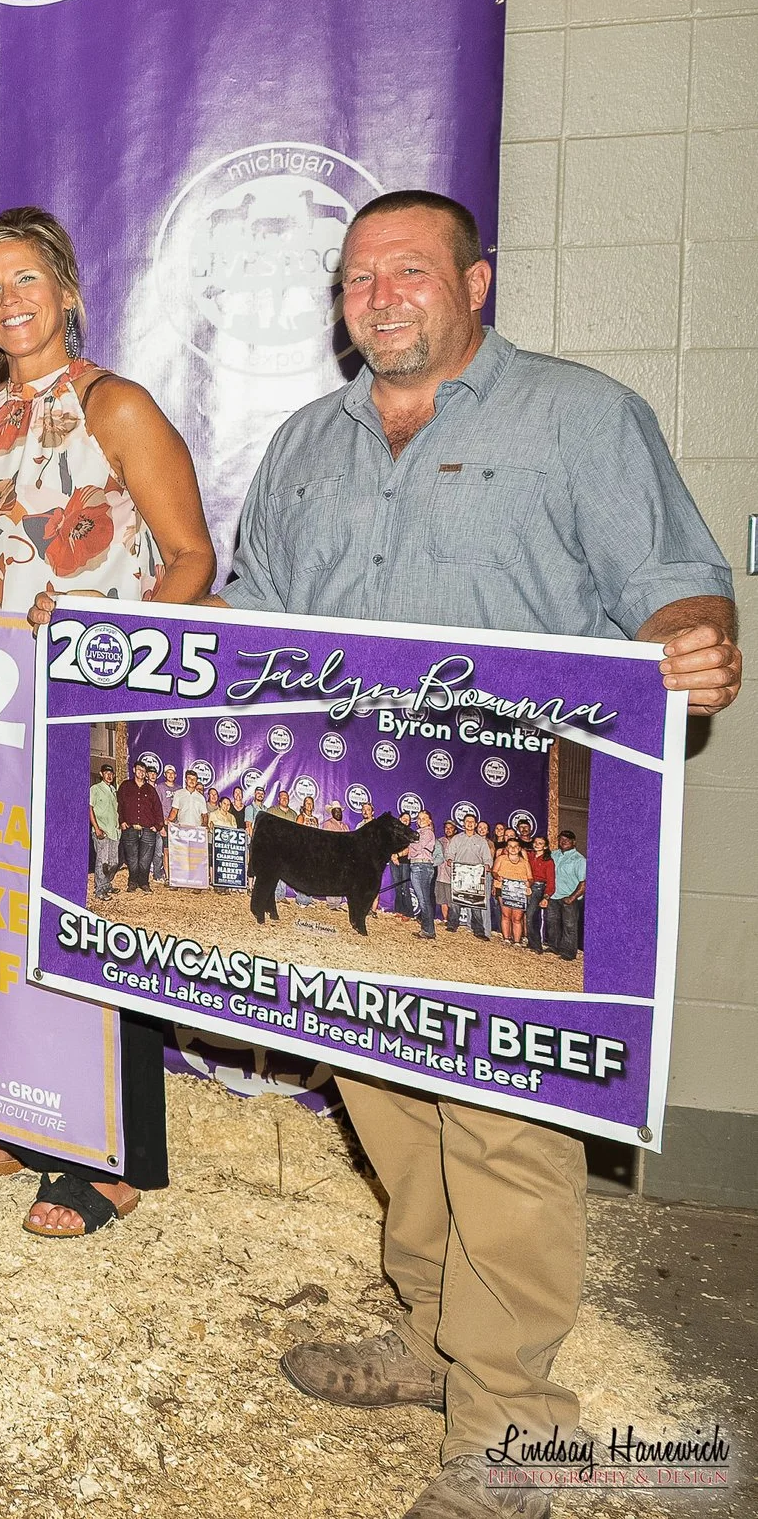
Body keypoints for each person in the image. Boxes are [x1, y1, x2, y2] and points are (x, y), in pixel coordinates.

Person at [224, 189, 737, 1519]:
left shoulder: (581, 417)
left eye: (409, 271)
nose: (381, 295)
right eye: (356, 278)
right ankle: (431, 1336)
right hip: (360, 842)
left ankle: (510, 1435)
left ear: (477, 282)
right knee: (388, 1102)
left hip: (500, 844)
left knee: (505, 1132)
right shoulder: (302, 446)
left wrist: (691, 640)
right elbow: (244, 610)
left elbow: (676, 578)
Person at [0, 205, 214, 1240]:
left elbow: (190, 559)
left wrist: (104, 634)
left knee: (96, 927)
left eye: (26, 279)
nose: (10, 301)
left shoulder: (115, 406)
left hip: (89, 702)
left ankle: (114, 1156)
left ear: (67, 290)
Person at [439, 815, 493, 938]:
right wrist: (449, 859)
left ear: (475, 824)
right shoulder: (457, 839)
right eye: (467, 821)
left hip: (475, 875)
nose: (469, 823)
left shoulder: (481, 841)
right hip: (460, 873)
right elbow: (450, 853)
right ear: (463, 824)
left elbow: (487, 858)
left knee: (475, 903)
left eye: (472, 822)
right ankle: (452, 924)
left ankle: (478, 930)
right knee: (455, 901)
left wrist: (487, 866)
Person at [116, 761, 165, 892]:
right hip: (130, 827)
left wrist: (158, 826)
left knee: (145, 859)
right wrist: (122, 821)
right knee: (132, 859)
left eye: (143, 771)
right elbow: (120, 805)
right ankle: (132, 882)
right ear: (134, 770)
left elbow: (158, 809)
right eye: (139, 770)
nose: (141, 773)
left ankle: (144, 882)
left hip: (148, 829)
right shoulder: (125, 786)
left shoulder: (151, 790)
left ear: (146, 774)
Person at [398, 809, 438, 938]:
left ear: (429, 821)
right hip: (417, 865)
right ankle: (427, 930)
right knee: (423, 899)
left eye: (424, 818)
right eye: (419, 818)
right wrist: (399, 854)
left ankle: (428, 931)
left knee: (424, 900)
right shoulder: (418, 832)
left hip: (422, 866)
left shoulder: (428, 833)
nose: (420, 821)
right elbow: (411, 849)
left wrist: (408, 844)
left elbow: (416, 847)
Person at [547, 830, 586, 960]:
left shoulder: (579, 860)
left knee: (569, 925)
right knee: (552, 922)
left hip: (569, 897)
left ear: (574, 842)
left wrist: (572, 897)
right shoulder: (554, 854)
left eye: (567, 840)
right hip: (554, 895)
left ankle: (569, 952)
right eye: (561, 839)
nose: (563, 841)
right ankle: (554, 946)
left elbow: (584, 882)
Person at [492, 833, 531, 943]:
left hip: (519, 891)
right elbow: (494, 872)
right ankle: (506, 938)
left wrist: (529, 883)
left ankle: (517, 941)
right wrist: (497, 877)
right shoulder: (501, 859)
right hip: (503, 889)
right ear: (507, 848)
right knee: (506, 915)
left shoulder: (525, 862)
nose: (513, 848)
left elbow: (530, 877)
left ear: (519, 848)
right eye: (510, 846)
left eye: (515, 846)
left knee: (517, 918)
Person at [90, 761, 121, 896]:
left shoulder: (114, 791)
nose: (109, 776)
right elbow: (89, 808)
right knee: (102, 861)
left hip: (114, 831)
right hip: (102, 830)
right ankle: (100, 890)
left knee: (114, 862)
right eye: (106, 773)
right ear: (101, 774)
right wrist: (96, 828)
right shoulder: (95, 789)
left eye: (111, 774)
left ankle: (107, 884)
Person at [525, 835, 556, 953]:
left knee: (531, 915)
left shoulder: (548, 861)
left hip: (539, 887)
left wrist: (546, 897)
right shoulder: (529, 855)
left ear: (546, 846)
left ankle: (537, 946)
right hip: (528, 886)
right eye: (536, 842)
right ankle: (531, 942)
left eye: (540, 843)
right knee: (529, 915)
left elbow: (551, 881)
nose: (537, 845)